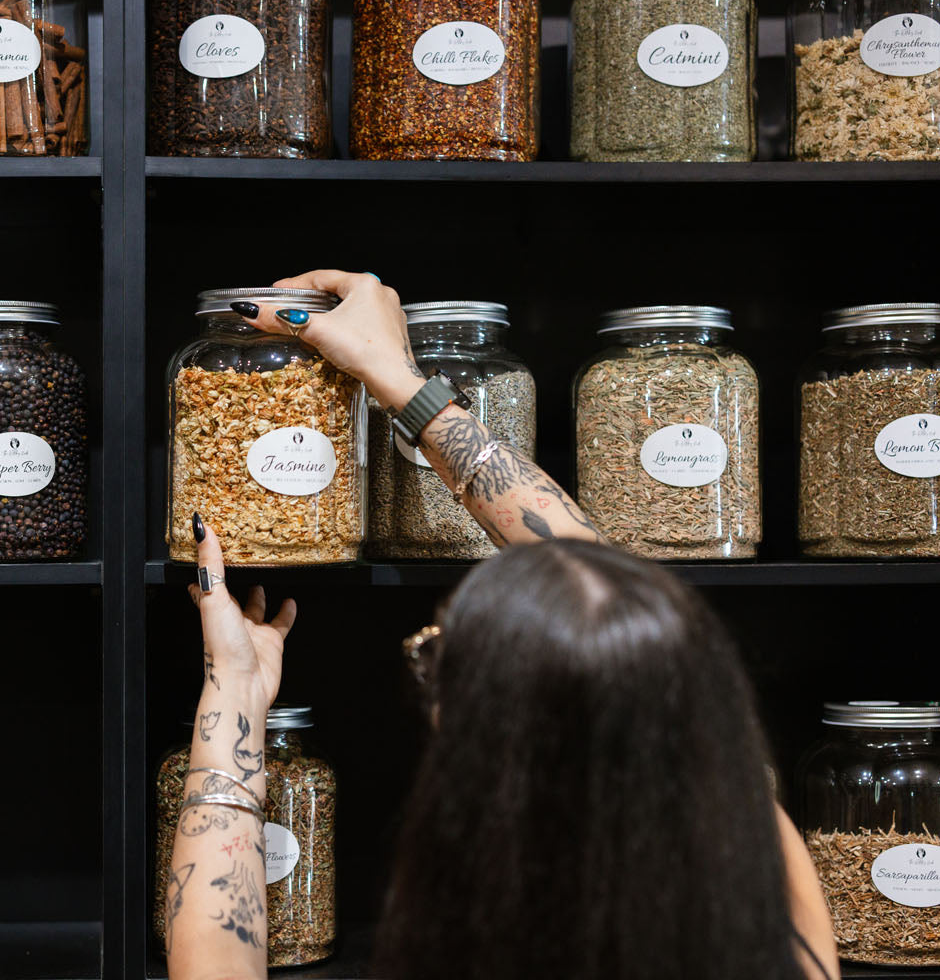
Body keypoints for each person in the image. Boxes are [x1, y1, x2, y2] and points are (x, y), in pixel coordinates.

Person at [166, 271, 839, 980]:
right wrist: (398, 379)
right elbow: (611, 590)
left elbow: (214, 964)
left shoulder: (464, 933)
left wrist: (234, 692)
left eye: (437, 653)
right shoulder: (769, 904)